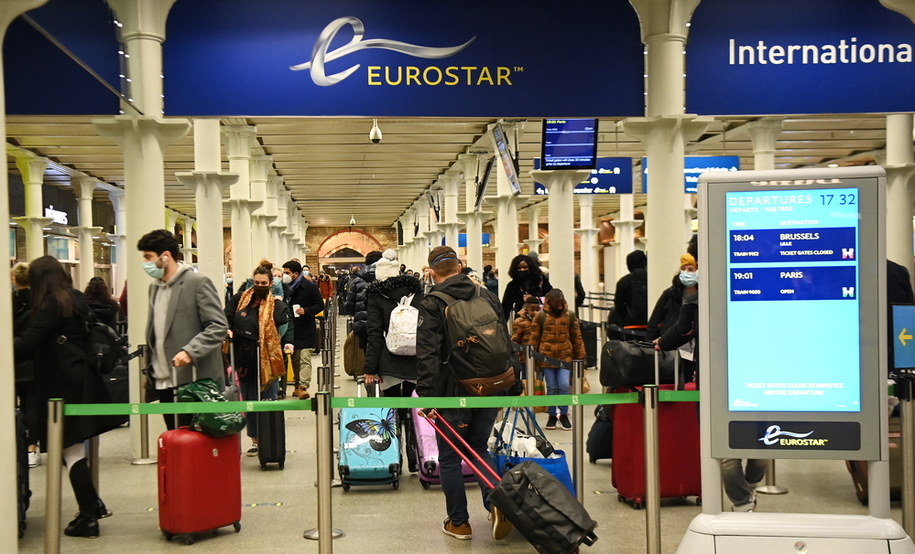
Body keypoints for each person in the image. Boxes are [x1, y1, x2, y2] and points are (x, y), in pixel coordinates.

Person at [14, 256, 123, 538]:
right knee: (72, 449)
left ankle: (88, 515)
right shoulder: (73, 297)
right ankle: (92, 506)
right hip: (83, 380)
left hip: (62, 385)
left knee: (70, 449)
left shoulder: (51, 304)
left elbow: (29, 342)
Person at [416, 245, 511, 542]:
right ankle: (496, 503)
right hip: (492, 384)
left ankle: (459, 523)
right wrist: (512, 384)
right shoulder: (487, 295)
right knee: (479, 448)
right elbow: (505, 341)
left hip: (452, 390)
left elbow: (428, 355)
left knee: (449, 457)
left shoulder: (432, 302)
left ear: (432, 273)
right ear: (459, 268)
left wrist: (430, 399)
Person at [138, 229, 228, 430]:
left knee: (195, 442)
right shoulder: (154, 287)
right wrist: (151, 370)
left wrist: (190, 351)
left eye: (148, 257)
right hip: (163, 380)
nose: (145, 263)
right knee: (175, 438)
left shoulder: (196, 283)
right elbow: (157, 331)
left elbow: (218, 326)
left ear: (166, 256)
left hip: (193, 380)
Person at [225, 265, 294, 455]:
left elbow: (286, 326)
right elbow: (227, 316)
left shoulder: (277, 305)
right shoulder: (240, 299)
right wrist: (228, 329)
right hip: (244, 358)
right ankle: (255, 439)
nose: (259, 286)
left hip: (268, 361)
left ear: (271, 284)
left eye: (263, 283)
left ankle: (269, 437)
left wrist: (289, 343)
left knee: (268, 398)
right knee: (249, 399)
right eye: (256, 283)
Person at [364, 249, 422, 397]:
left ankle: (396, 419)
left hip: (388, 358)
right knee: (413, 406)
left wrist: (370, 369)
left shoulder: (376, 295)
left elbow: (374, 334)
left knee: (392, 405)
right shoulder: (417, 292)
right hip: (416, 359)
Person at [531, 289, 586, 430]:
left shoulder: (570, 315)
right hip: (546, 358)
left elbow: (576, 338)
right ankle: (551, 415)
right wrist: (532, 358)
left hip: (565, 357)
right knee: (552, 387)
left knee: (564, 386)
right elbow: (534, 338)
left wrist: (581, 358)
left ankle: (563, 414)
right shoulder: (541, 316)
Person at [281, 260, 325, 399]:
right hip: (291, 328)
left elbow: (319, 305)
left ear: (295, 273)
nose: (285, 276)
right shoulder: (282, 288)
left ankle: (303, 386)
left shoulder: (310, 287)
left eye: (287, 273)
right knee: (295, 358)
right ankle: (296, 384)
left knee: (305, 357)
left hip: (306, 328)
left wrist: (306, 311)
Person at [11, 262, 40, 467]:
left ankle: (18, 444)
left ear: (14, 279)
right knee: (33, 404)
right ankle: (32, 446)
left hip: (14, 360)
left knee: (19, 403)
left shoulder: (8, 303)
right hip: (36, 361)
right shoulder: (40, 302)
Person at [344, 250, 383, 350]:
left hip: (363, 327)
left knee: (367, 355)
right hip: (383, 326)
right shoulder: (387, 279)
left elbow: (348, 306)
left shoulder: (357, 281)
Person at [501, 254, 552, 320]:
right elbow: (506, 307)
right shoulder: (512, 285)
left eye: (525, 267)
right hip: (521, 320)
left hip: (541, 318)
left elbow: (551, 297)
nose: (522, 270)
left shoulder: (541, 280)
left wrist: (535, 299)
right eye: (519, 268)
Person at [611, 250, 648, 330]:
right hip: (651, 324)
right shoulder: (652, 279)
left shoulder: (623, 281)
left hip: (630, 325)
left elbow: (619, 304)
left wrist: (625, 318)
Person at [511, 296, 541, 370]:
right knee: (525, 378)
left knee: (539, 379)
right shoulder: (519, 322)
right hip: (524, 357)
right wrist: (517, 356)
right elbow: (515, 340)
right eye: (532, 310)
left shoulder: (542, 320)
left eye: (537, 310)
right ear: (526, 309)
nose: (535, 312)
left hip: (540, 357)